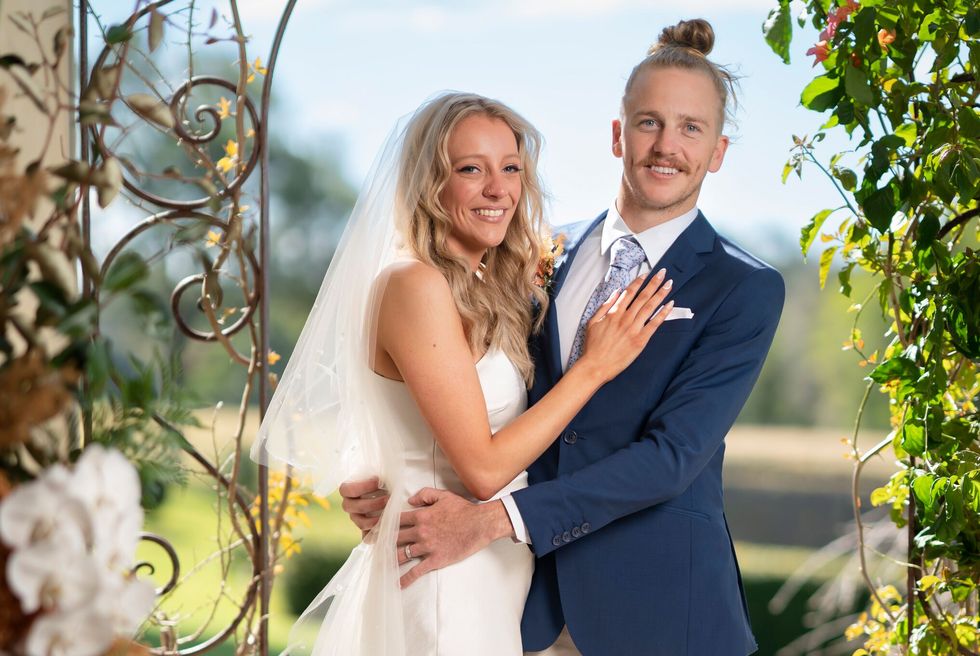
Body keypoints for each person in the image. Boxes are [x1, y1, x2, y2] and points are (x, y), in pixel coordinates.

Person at [341, 18, 785, 656]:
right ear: (618, 134)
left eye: (692, 128)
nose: (667, 146)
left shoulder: (743, 288)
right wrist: (378, 472)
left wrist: (494, 520)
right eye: (649, 122)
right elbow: (451, 372)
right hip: (525, 607)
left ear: (717, 151)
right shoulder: (536, 255)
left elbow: (671, 458)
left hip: (661, 611)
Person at [252, 91, 674, 656]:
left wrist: (375, 471)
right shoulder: (414, 285)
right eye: (471, 169)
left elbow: (411, 416)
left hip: (492, 578)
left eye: (511, 169)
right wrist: (594, 366)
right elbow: (479, 468)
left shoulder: (483, 287)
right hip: (443, 582)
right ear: (430, 184)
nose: (498, 189)